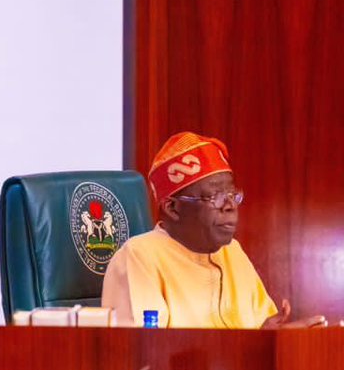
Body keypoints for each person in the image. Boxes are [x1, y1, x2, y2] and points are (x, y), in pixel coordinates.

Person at [102, 132, 326, 328]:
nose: (229, 206)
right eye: (215, 196)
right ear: (173, 207)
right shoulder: (139, 257)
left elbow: (261, 330)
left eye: (232, 195)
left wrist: (278, 339)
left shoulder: (232, 251)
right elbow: (144, 354)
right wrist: (250, 345)